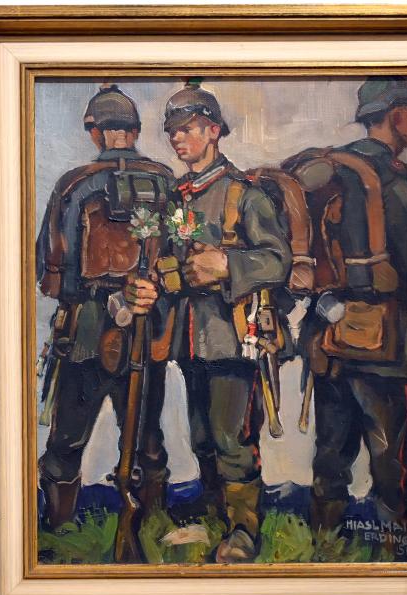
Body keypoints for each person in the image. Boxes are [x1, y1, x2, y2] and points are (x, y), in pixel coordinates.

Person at [123, 80, 292, 562]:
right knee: (201, 435)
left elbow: (277, 260)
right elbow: (166, 258)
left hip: (233, 337)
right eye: (172, 131)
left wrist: (228, 265)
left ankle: (243, 532)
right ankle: (217, 513)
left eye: (188, 128)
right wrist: (149, 285)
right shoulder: (175, 198)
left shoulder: (246, 195)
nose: (178, 138)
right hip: (187, 337)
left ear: (214, 130)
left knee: (232, 438)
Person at [35, 84, 176, 531]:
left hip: (85, 331)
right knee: (147, 437)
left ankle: (59, 527)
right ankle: (151, 524)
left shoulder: (74, 184)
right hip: (147, 328)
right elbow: (179, 257)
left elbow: (50, 273)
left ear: (96, 132)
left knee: (67, 438)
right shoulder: (167, 181)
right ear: (134, 131)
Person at [304, 77, 407, 539]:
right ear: (397, 115)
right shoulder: (401, 185)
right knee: (391, 455)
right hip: (386, 341)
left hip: (327, 335)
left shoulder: (329, 173)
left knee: (331, 449)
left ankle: (324, 540)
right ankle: (400, 545)